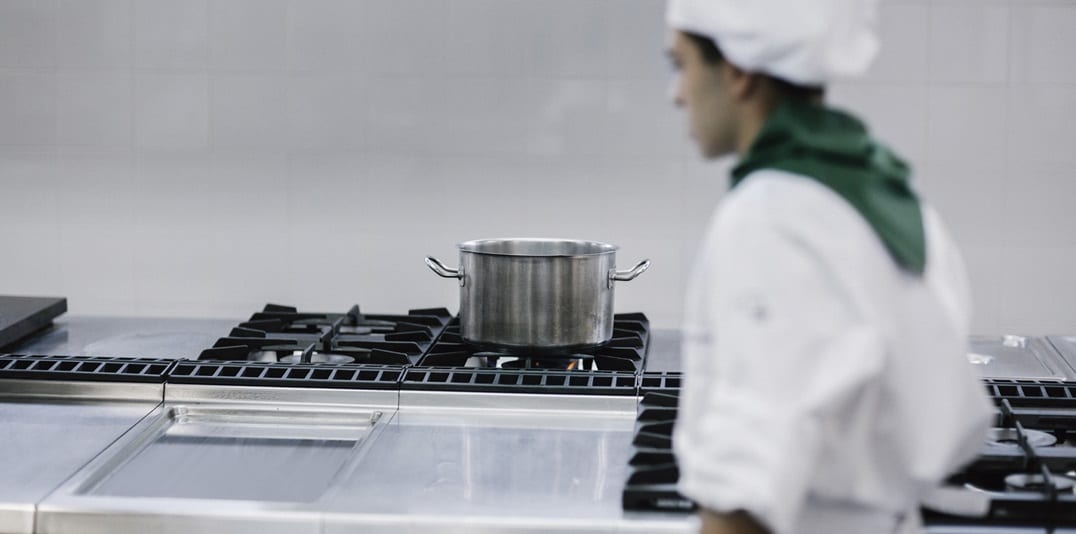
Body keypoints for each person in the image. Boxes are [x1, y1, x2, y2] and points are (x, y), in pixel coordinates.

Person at [664, 1, 994, 533]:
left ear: (739, 72)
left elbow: (743, 492)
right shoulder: (887, 196)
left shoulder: (772, 217)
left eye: (680, 65)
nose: (676, 94)